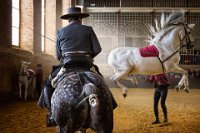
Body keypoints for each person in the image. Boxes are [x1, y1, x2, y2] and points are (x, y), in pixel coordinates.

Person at [38, 7, 117, 127]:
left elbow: (58, 55)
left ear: (68, 19)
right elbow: (97, 49)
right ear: (80, 18)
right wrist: (88, 55)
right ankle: (111, 105)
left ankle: (52, 115)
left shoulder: (60, 31)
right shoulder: (88, 29)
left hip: (68, 65)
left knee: (47, 85)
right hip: (86, 64)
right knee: (102, 82)